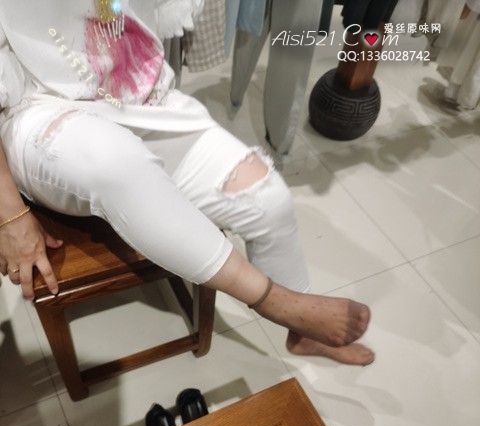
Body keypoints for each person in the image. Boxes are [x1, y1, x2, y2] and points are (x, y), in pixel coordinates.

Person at [0, 0, 374, 366]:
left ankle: (302, 334)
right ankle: (275, 302)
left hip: (130, 92)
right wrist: (10, 216)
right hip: (35, 107)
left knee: (266, 200)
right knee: (115, 162)